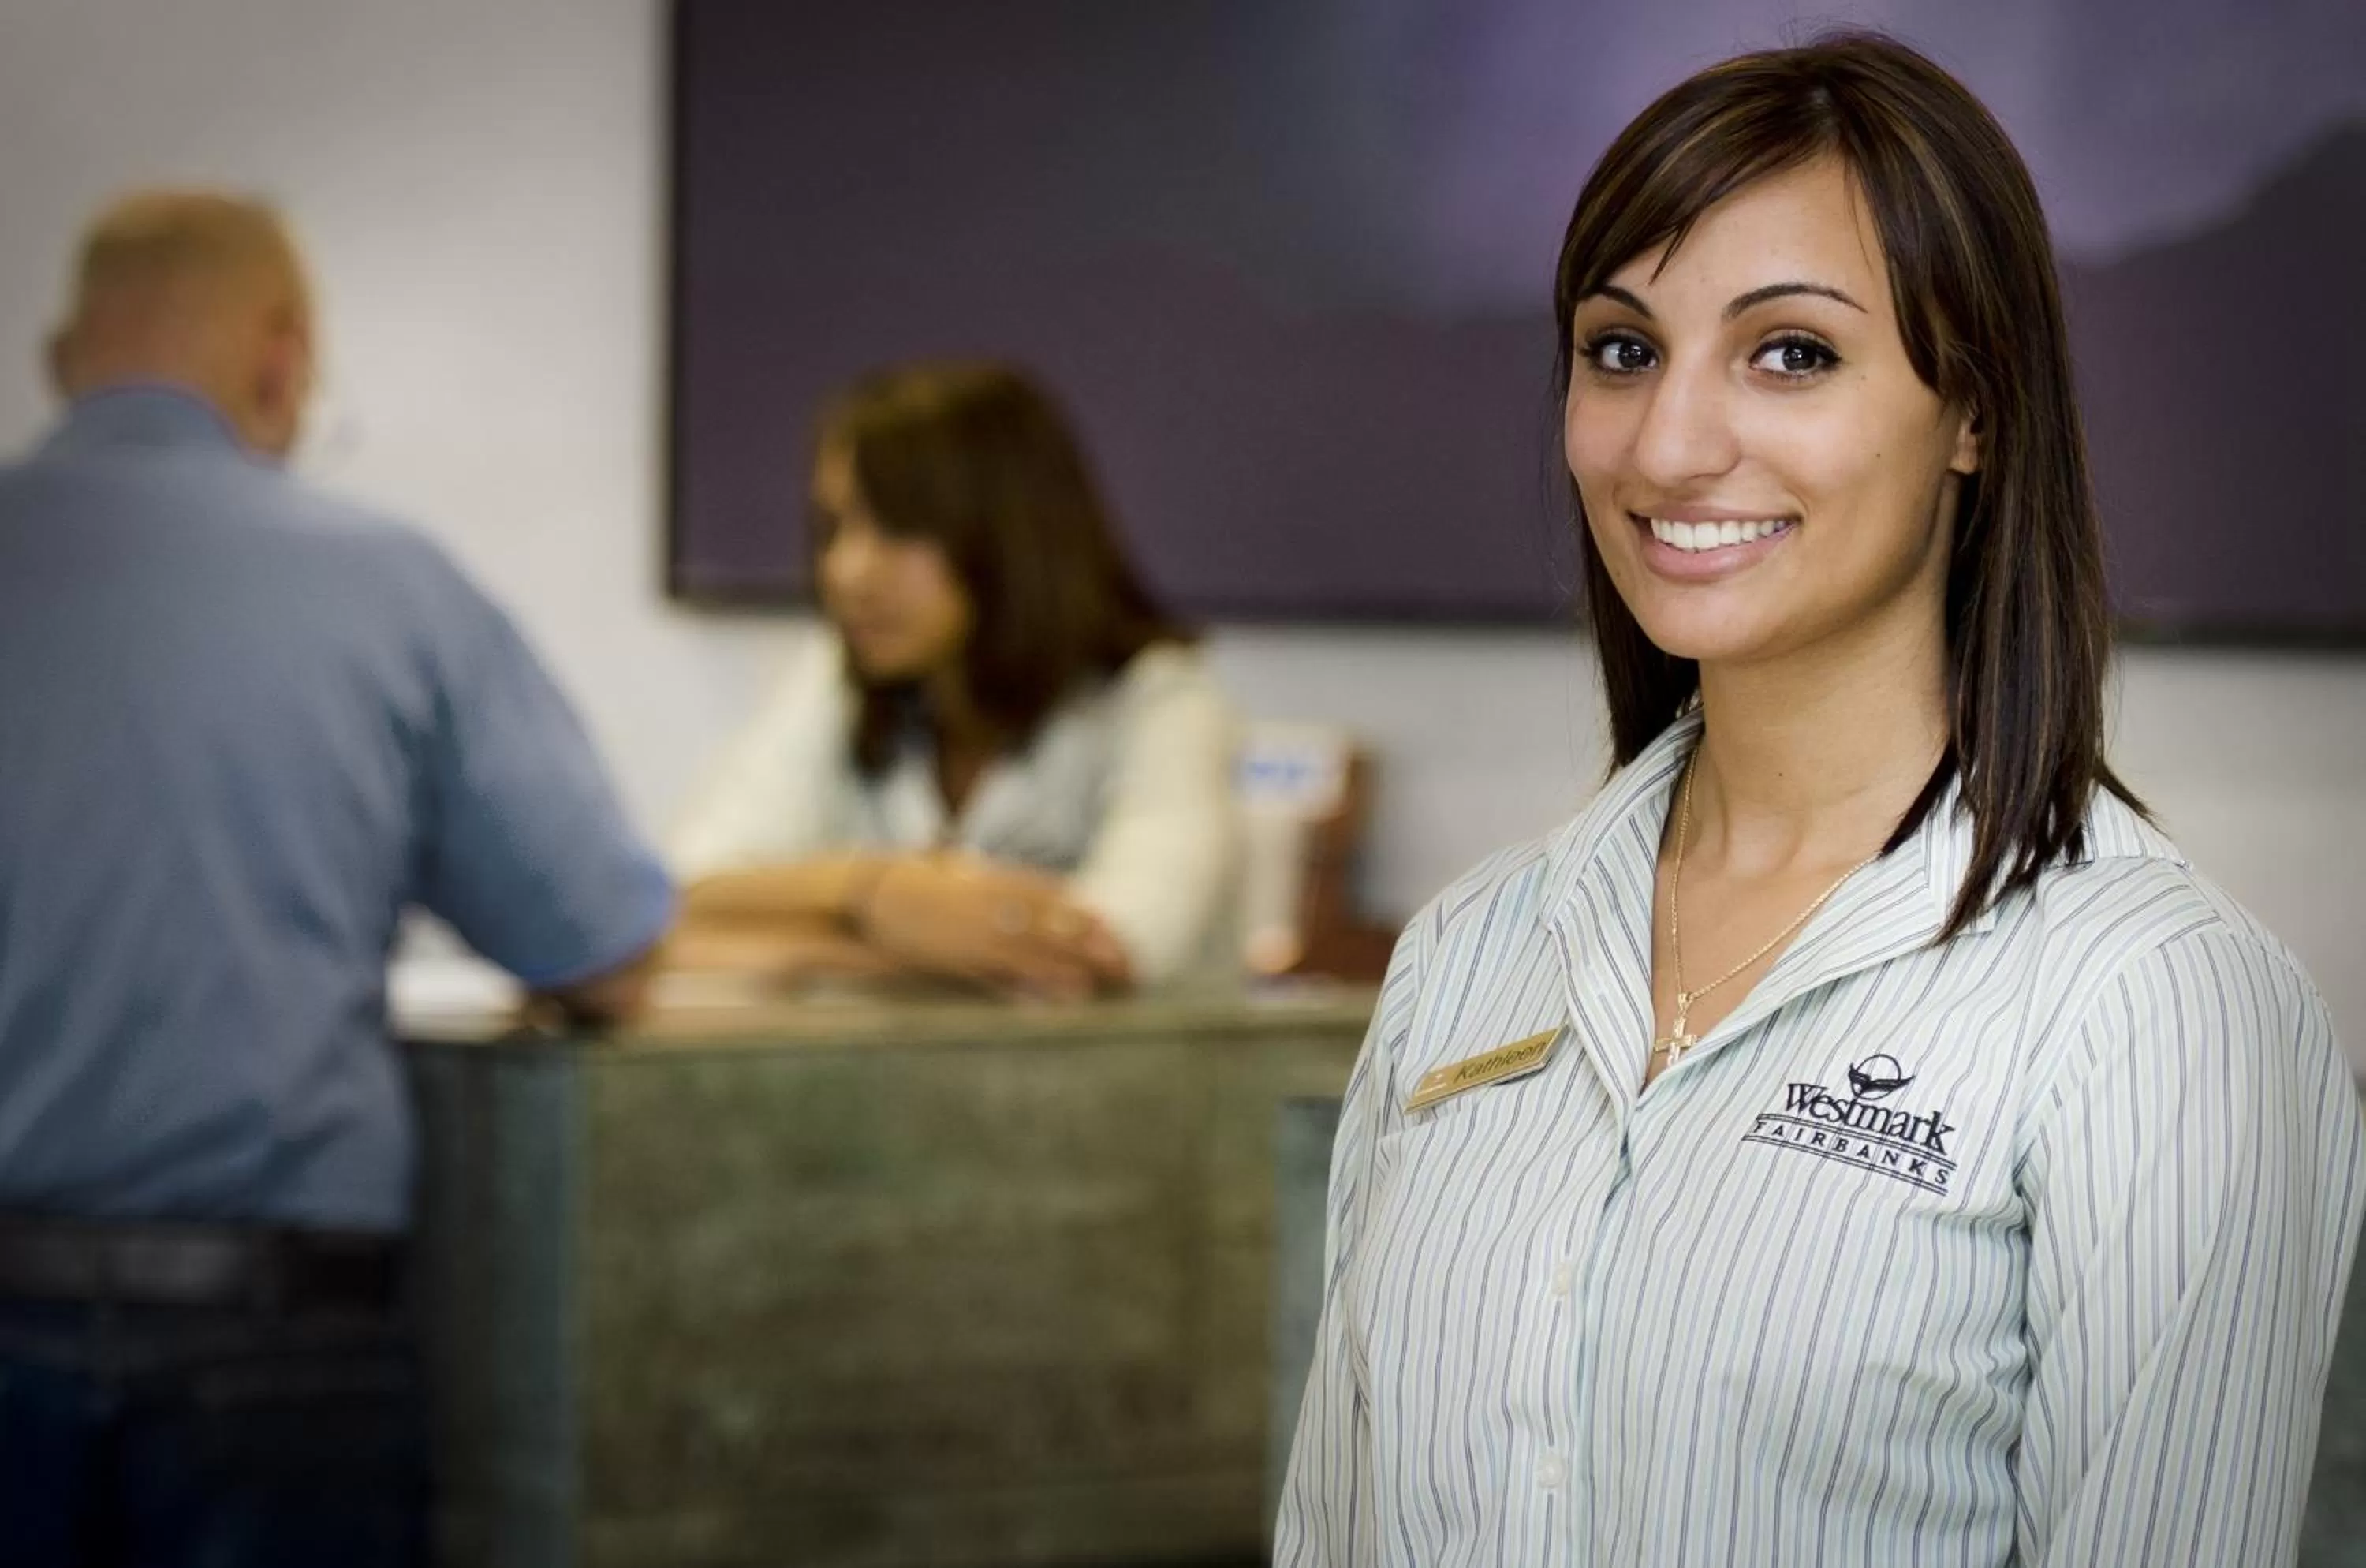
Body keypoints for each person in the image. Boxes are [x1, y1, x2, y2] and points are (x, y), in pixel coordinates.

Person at [1278, 33, 2363, 1567]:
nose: (1668, 443)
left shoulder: (2158, 1009)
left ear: (1974, 412)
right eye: (1622, 348)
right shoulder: (1469, 950)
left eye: (1791, 352)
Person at [0, 190, 674, 1566]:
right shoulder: (391, 586)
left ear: (61, 357)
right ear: (282, 359)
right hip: (278, 1350)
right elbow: (600, 952)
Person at [669, 361, 1241, 997]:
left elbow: (1102, 956)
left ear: (1010, 533)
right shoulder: (837, 676)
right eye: (836, 527)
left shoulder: (1160, 698)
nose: (847, 570)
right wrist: (876, 894)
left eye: (899, 528)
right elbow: (683, 898)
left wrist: (800, 925)